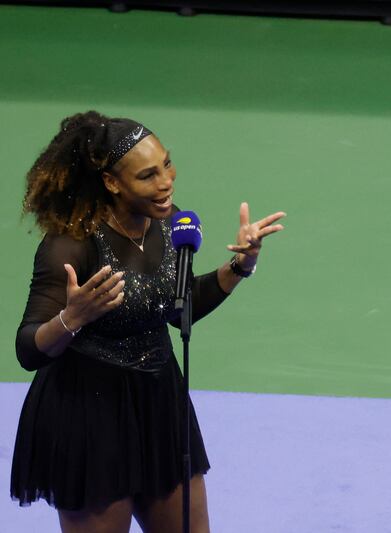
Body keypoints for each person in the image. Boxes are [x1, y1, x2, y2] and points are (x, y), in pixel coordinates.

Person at [11, 110, 285, 532]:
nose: (165, 182)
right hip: (90, 416)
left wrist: (240, 267)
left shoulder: (171, 223)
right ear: (111, 183)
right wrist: (71, 318)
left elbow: (178, 305)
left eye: (167, 164)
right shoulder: (71, 244)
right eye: (147, 175)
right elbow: (28, 348)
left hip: (160, 404)